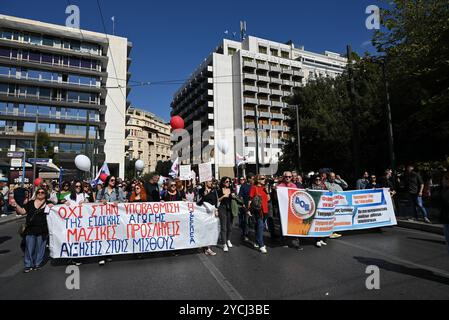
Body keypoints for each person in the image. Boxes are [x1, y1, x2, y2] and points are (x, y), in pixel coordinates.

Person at [12, 187, 54, 273]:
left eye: (42, 192)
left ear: (45, 194)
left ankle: (37, 264)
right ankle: (28, 265)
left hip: (43, 230)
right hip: (30, 229)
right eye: (38, 192)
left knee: (40, 248)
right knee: (29, 248)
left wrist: (53, 206)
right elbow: (23, 212)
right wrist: (16, 206)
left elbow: (58, 210)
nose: (40, 193)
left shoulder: (49, 203)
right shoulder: (30, 203)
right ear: (36, 193)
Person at [249, 175, 270, 254]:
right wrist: (248, 210)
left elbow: (268, 199)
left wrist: (267, 191)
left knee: (259, 227)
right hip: (258, 211)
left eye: (265, 179)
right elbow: (250, 199)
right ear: (258, 180)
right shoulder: (254, 188)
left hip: (265, 210)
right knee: (260, 227)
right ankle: (261, 245)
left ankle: (257, 241)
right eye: (262, 179)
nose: (264, 180)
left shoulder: (264, 188)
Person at [197, 180, 219, 256]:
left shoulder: (214, 191)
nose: (211, 183)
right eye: (209, 181)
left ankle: (207, 248)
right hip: (204, 214)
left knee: (210, 230)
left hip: (212, 214)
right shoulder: (200, 190)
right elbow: (197, 203)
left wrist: (216, 209)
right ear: (205, 182)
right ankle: (206, 247)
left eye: (211, 181)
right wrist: (204, 195)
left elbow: (216, 201)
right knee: (205, 230)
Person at [310, 175, 329, 248]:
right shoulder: (311, 186)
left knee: (322, 223)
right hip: (315, 207)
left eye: (319, 179)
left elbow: (328, 193)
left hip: (323, 207)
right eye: (316, 179)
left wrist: (330, 192)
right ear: (314, 180)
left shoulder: (323, 186)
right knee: (317, 223)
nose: (318, 181)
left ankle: (321, 239)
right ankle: (317, 240)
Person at [325, 172, 345, 239]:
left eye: (334, 176)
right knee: (330, 218)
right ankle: (329, 232)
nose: (332, 178)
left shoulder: (337, 185)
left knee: (336, 218)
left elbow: (345, 186)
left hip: (337, 205)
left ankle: (334, 232)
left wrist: (340, 179)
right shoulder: (326, 184)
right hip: (329, 204)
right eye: (331, 176)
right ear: (328, 177)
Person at [217, 177, 234, 252]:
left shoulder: (231, 189)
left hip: (230, 209)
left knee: (230, 226)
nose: (228, 182)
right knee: (223, 227)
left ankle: (228, 240)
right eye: (227, 181)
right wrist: (223, 196)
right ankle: (224, 244)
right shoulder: (219, 190)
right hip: (222, 208)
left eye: (229, 181)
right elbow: (217, 200)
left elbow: (234, 198)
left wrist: (233, 196)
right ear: (223, 182)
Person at [435, 171, 449, 254]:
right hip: (446, 220)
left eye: (446, 178)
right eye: (444, 178)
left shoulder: (445, 191)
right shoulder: (442, 190)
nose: (444, 180)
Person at [238, 173, 254, 242]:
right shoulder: (243, 186)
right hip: (246, 206)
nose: (253, 180)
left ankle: (251, 233)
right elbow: (240, 196)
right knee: (246, 221)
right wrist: (243, 203)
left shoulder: (254, 185)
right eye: (252, 178)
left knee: (253, 221)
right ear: (248, 179)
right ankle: (245, 234)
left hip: (254, 206)